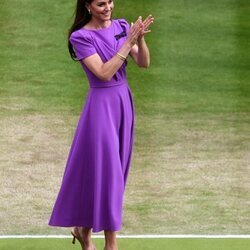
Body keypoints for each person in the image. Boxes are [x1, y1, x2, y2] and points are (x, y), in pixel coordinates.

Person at [48, 0, 154, 249]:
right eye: (100, 4)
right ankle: (111, 244)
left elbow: (143, 63)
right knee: (109, 175)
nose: (108, 7)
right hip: (101, 108)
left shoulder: (120, 26)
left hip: (122, 104)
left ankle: (83, 230)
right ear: (87, 6)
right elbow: (104, 73)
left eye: (109, 1)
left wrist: (138, 39)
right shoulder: (81, 37)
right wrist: (128, 42)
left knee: (115, 171)